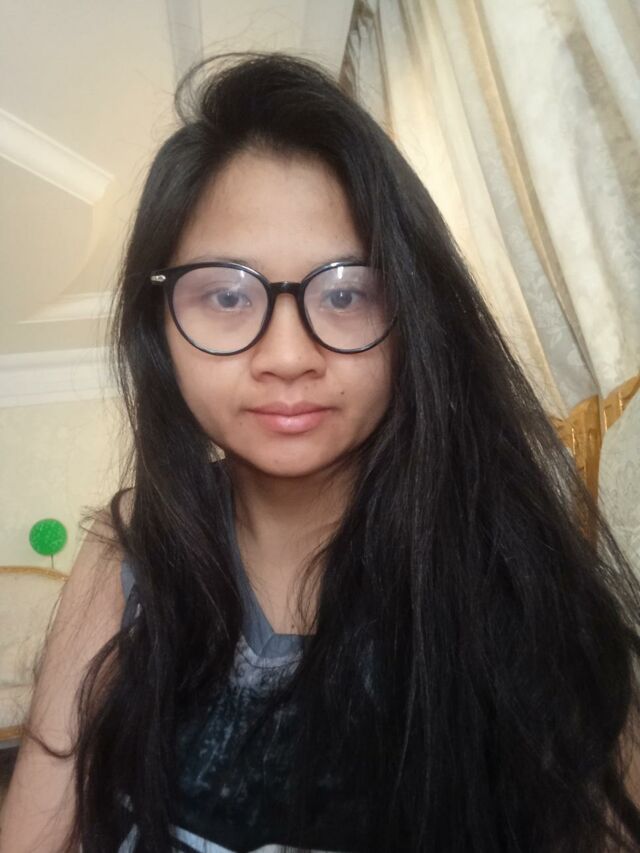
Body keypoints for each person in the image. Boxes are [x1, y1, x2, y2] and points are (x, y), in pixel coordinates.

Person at [1, 51, 640, 853]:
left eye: (345, 293)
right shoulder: (127, 553)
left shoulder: (507, 574)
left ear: (413, 315)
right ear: (158, 327)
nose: (288, 355)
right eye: (226, 294)